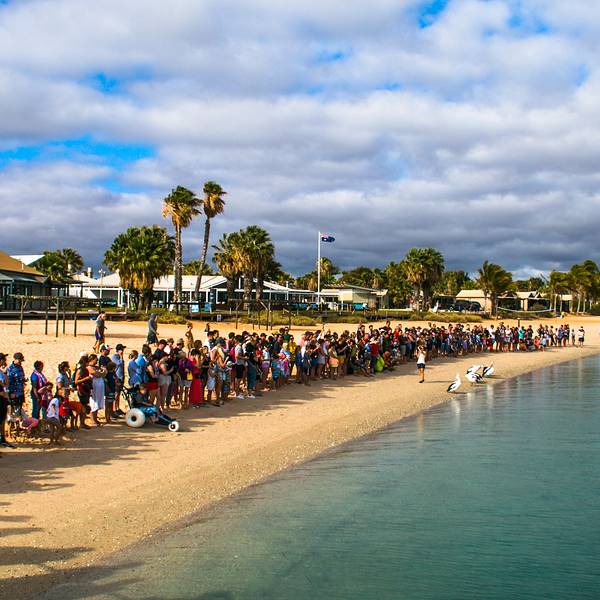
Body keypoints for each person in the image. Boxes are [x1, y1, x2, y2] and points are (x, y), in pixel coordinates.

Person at [87, 354, 107, 426]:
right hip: (94, 387)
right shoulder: (89, 367)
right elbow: (97, 374)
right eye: (96, 360)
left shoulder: (96, 367)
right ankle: (93, 419)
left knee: (98, 402)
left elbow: (103, 374)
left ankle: (95, 418)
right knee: (93, 402)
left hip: (99, 387)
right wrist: (103, 372)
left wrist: (102, 372)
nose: (97, 361)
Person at [0, 353, 14, 449]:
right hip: (1, 396)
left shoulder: (1, 371)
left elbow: (6, 383)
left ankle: (2, 439)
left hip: (4, 397)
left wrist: (5, 373)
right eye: (4, 359)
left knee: (2, 419)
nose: (5, 361)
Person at [111, 344, 126, 417]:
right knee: (116, 394)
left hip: (121, 377)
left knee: (118, 394)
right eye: (121, 349)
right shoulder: (114, 357)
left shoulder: (119, 357)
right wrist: (121, 356)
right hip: (117, 378)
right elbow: (119, 363)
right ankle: (114, 409)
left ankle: (117, 408)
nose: (122, 351)